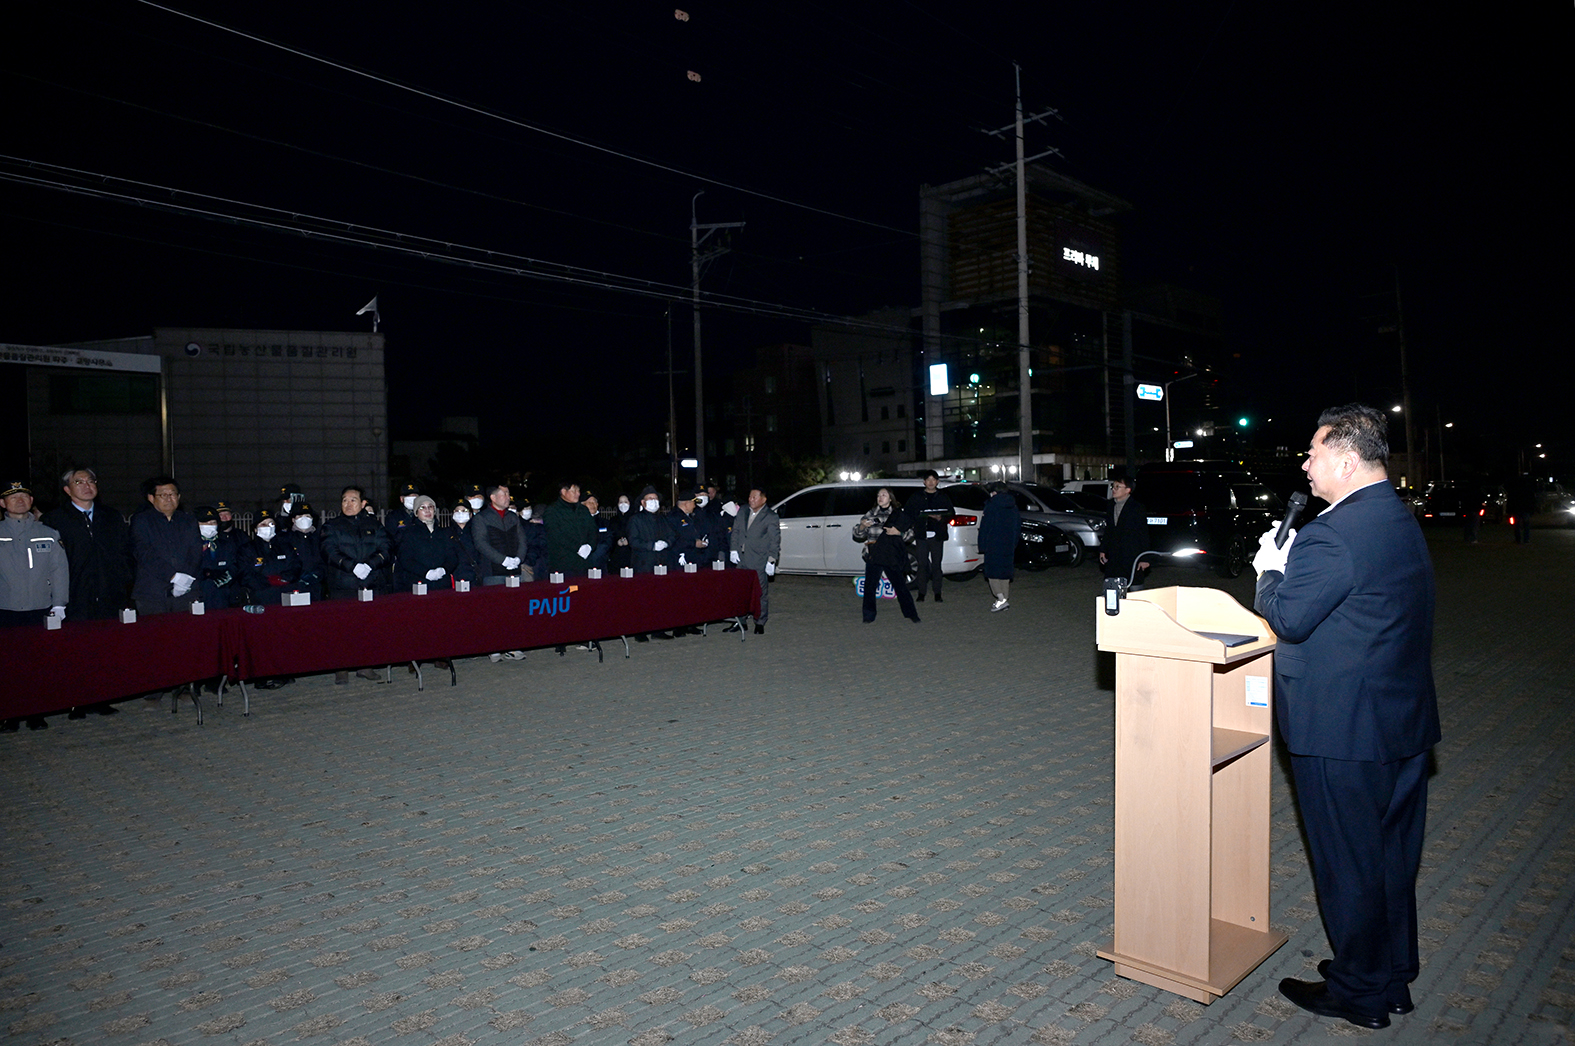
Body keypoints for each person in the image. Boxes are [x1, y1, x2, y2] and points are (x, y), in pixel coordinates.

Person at [1253, 404, 1439, 1030]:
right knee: (1389, 859)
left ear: (1345, 458)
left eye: (1312, 453)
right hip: (1399, 723)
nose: (1304, 464)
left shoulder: (1333, 533)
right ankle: (1392, 976)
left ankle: (1359, 991)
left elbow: (1290, 618)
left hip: (1341, 730)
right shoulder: (1394, 516)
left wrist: (1268, 571)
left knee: (1349, 864)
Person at [0, 481, 68, 731]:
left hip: (39, 608)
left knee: (38, 663)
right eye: (13, 496)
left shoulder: (49, 533)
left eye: (25, 496)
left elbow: (60, 572)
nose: (20, 500)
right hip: (5, 610)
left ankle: (36, 712)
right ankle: (10, 713)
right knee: (8, 665)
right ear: (2, 503)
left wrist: (59, 604)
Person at [41, 467, 132, 623]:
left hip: (111, 595)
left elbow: (126, 554)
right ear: (67, 490)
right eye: (79, 482)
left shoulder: (112, 516)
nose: (87, 486)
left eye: (91, 481)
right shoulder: (53, 520)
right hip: (75, 596)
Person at [129, 475, 203, 615]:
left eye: (172, 494)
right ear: (151, 498)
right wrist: (173, 576)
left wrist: (185, 579)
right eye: (163, 495)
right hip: (152, 593)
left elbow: (195, 551)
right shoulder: (141, 521)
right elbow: (143, 552)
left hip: (187, 591)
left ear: (179, 496)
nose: (169, 499)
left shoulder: (188, 520)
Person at [852, 487, 920, 625]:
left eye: (884, 495)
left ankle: (911, 614)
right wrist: (862, 527)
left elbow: (911, 534)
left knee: (900, 586)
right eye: (878, 495)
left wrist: (898, 533)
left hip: (891, 554)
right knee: (870, 587)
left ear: (890, 498)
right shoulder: (870, 514)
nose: (880, 497)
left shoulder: (898, 514)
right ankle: (868, 616)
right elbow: (857, 535)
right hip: (874, 554)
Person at [320, 486, 393, 598]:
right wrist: (352, 566)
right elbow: (329, 551)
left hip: (373, 585)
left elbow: (386, 548)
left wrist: (370, 565)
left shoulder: (375, 525)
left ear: (363, 503)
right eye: (345, 500)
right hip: (343, 588)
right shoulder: (331, 526)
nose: (348, 504)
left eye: (353, 500)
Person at [727, 490, 777, 633]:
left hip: (759, 559)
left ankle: (760, 621)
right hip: (741, 559)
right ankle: (740, 621)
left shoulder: (770, 516)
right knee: (740, 591)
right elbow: (735, 531)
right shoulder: (743, 511)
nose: (751, 499)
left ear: (763, 499)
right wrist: (733, 549)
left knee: (760, 592)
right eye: (749, 496)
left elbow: (775, 540)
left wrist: (771, 560)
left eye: (754, 497)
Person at [1099, 470, 1152, 589]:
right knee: (1112, 590)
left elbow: (1143, 533)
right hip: (1114, 555)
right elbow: (1109, 530)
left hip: (1132, 555)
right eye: (1113, 486)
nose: (1114, 489)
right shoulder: (1110, 505)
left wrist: (1145, 558)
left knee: (1135, 590)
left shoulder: (1137, 508)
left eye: (1118, 487)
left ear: (1128, 490)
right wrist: (1103, 549)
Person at [906, 469, 953, 602]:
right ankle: (922, 593)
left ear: (937, 482)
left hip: (937, 536)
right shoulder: (917, 496)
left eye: (933, 480)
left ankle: (937, 593)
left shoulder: (943, 496)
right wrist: (919, 519)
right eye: (928, 480)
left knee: (937, 565)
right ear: (924, 482)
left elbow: (951, 513)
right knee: (922, 565)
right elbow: (909, 512)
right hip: (921, 535)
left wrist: (941, 518)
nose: (931, 482)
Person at [393, 495, 459, 590]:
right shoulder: (409, 533)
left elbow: (452, 557)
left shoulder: (444, 532)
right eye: (422, 507)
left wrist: (444, 570)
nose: (427, 510)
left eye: (430, 507)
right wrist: (425, 573)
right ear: (416, 512)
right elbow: (406, 559)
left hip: (442, 585)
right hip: (418, 585)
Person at [471, 483, 529, 585]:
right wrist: (503, 560)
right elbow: (481, 543)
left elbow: (522, 540)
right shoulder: (482, 518)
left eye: (508, 494)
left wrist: (519, 558)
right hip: (494, 573)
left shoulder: (513, 517)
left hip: (515, 571)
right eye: (504, 494)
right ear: (493, 497)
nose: (508, 497)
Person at [241, 509, 302, 605]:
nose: (268, 527)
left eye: (271, 524)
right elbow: (245, 573)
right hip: (260, 596)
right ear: (255, 529)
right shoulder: (247, 549)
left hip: (286, 595)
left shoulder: (285, 547)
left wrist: (284, 579)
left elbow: (295, 566)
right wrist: (267, 582)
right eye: (263, 524)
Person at [977, 480, 1019, 612]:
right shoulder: (1013, 506)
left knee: (993, 573)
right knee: (1005, 573)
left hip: (993, 544)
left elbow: (986, 527)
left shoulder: (991, 505)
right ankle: (1004, 600)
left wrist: (982, 545)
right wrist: (1014, 543)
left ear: (994, 492)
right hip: (1008, 544)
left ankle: (1001, 599)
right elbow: (1017, 527)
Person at [194, 506, 246, 608]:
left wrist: (226, 577)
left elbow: (234, 564)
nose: (210, 526)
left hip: (222, 596)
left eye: (213, 523)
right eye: (205, 523)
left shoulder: (225, 544)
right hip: (198, 596)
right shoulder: (191, 545)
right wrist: (206, 573)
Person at [543, 481, 597, 577]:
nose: (578, 494)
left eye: (578, 491)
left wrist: (589, 546)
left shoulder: (583, 510)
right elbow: (555, 535)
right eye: (574, 491)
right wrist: (577, 547)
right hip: (563, 564)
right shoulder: (552, 511)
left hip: (585, 563)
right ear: (564, 492)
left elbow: (593, 530)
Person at [284, 503, 325, 598]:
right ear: (293, 519)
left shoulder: (319, 538)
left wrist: (318, 574)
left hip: (316, 587)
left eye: (307, 516)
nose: (304, 519)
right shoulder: (285, 539)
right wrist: (297, 576)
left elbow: (326, 559)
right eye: (300, 516)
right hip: (293, 588)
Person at [583, 492, 611, 571]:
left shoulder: (604, 522)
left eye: (594, 502)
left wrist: (596, 555)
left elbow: (608, 540)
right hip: (582, 565)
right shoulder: (577, 522)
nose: (593, 504)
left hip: (600, 564)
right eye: (589, 502)